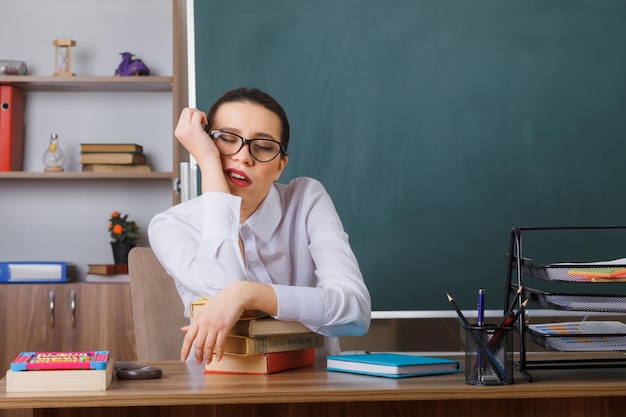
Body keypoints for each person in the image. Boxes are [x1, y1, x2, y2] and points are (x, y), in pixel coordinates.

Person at [149, 87, 371, 364]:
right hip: (219, 393)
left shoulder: (307, 199)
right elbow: (223, 285)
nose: (243, 157)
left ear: (280, 166)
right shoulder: (170, 225)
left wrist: (250, 293)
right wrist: (208, 164)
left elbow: (355, 313)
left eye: (264, 147)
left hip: (311, 391)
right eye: (227, 140)